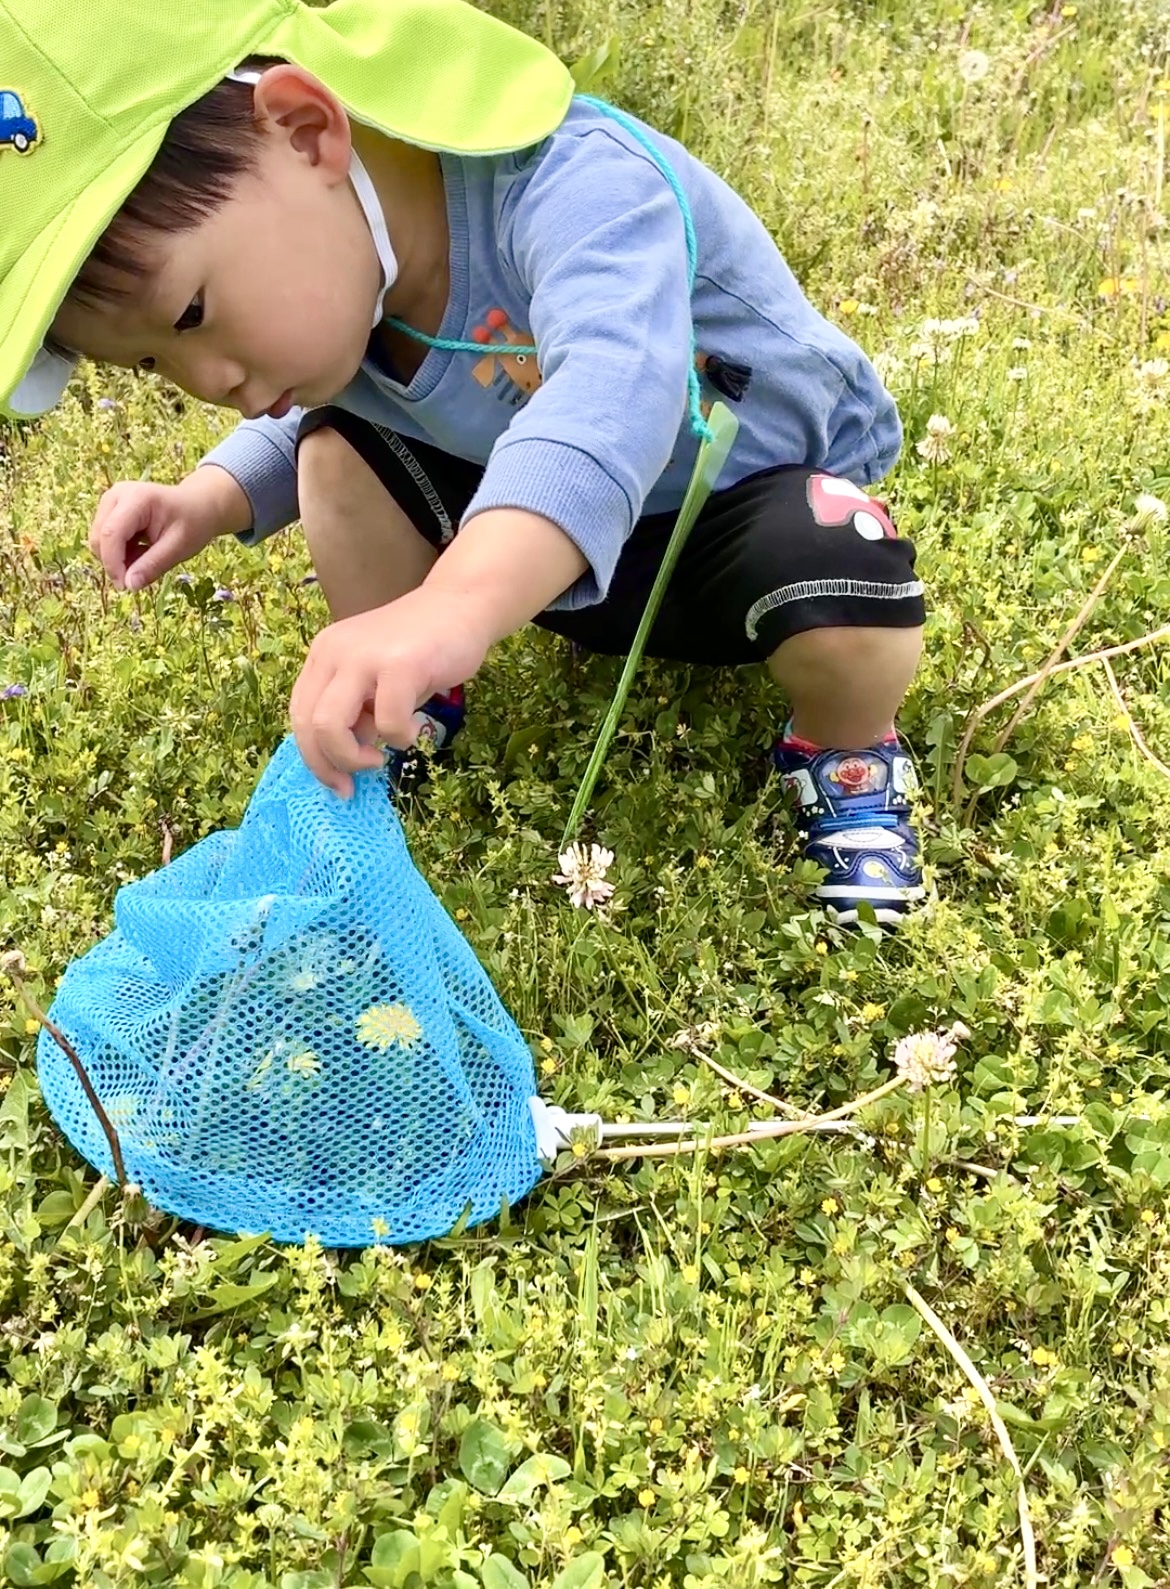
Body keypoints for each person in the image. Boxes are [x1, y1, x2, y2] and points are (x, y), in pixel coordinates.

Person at [0, 0, 927, 925]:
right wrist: (209, 496)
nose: (210, 380)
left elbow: (613, 399)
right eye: (154, 364)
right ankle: (411, 694)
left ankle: (847, 755)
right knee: (340, 446)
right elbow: (338, 407)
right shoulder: (344, 285)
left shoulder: (575, 183)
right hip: (534, 559)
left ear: (304, 129)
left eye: (192, 313)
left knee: (837, 560)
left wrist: (451, 606)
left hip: (726, 520)